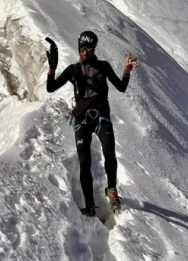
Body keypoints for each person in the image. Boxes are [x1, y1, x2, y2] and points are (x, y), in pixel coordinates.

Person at [45, 30, 139, 216]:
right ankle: (89, 205)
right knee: (84, 161)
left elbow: (120, 87)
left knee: (109, 152)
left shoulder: (103, 66)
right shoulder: (73, 70)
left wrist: (126, 72)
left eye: (88, 48)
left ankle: (111, 190)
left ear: (93, 48)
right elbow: (50, 88)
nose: (85, 52)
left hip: (101, 117)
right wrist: (52, 68)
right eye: (82, 48)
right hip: (81, 120)